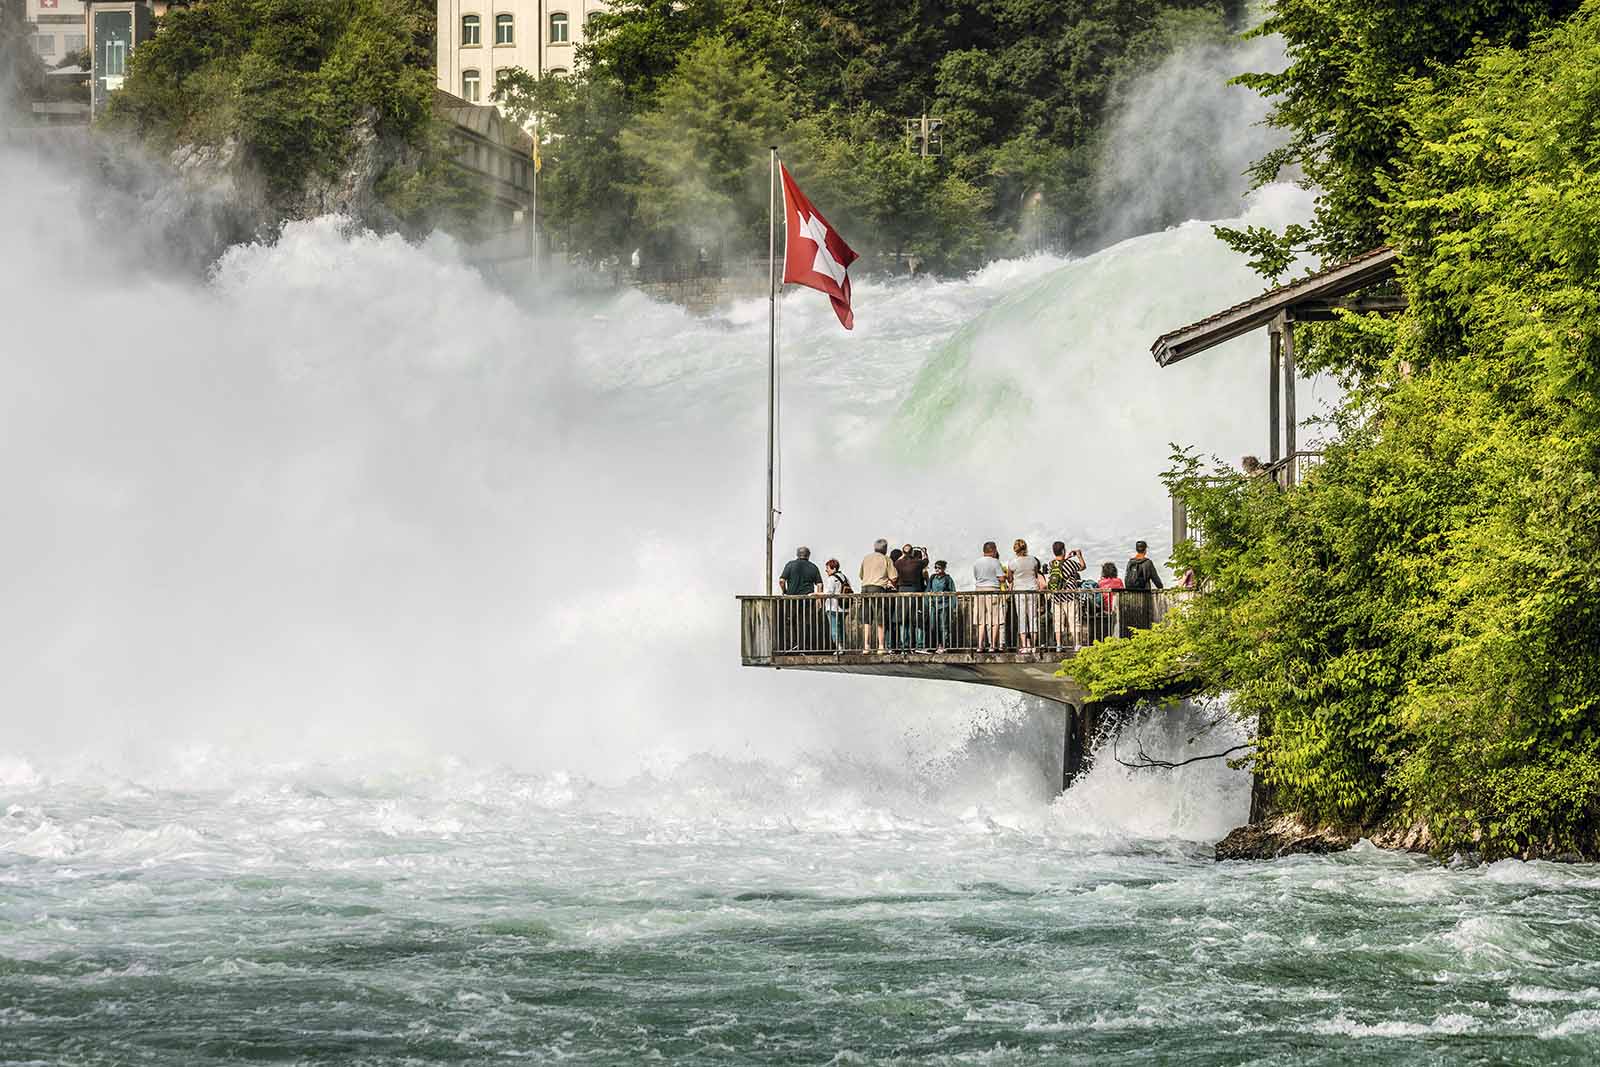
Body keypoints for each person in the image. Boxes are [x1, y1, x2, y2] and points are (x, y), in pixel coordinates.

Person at [778, 546, 823, 651]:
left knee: (790, 621)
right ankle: (804, 645)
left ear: (797, 554)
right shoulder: (813, 567)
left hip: (792, 599)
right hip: (808, 600)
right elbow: (819, 584)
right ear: (808, 555)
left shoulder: (790, 565)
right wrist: (819, 599)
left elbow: (781, 581)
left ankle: (793, 645)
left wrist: (785, 591)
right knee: (805, 622)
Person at [1046, 541, 1087, 651]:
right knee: (1073, 621)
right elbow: (1083, 567)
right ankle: (1077, 644)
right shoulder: (1071, 564)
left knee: (1058, 622)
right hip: (1070, 597)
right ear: (1063, 550)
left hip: (1056, 597)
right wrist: (1079, 556)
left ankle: (1059, 645)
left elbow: (1060, 566)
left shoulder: (1051, 564)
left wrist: (1066, 557)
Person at [859, 538, 896, 652]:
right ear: (885, 549)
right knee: (880, 618)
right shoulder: (886, 559)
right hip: (878, 588)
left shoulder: (866, 558)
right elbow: (894, 576)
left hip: (865, 588)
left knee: (867, 619)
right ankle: (881, 646)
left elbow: (861, 575)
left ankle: (866, 646)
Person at [1006, 539, 1044, 651]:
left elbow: (1010, 578)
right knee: (1033, 617)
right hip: (1032, 590)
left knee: (1022, 618)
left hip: (1019, 592)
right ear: (1026, 547)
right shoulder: (1033, 560)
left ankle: (1025, 645)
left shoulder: (1012, 562)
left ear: (1015, 549)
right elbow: (1036, 574)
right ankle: (1033, 645)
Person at [1123, 539, 1164, 632]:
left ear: (1137, 549)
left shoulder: (1130, 562)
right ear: (1145, 550)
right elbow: (1156, 579)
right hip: (1144, 594)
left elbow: (1126, 579)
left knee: (1134, 617)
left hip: (1131, 595)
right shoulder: (1147, 562)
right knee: (1145, 618)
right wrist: (1161, 588)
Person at [894, 543, 929, 651]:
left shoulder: (898, 563)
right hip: (915, 591)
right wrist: (924, 552)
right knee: (918, 619)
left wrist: (903, 555)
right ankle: (919, 645)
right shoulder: (918, 563)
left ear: (903, 553)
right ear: (913, 552)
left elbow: (896, 561)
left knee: (903, 620)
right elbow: (926, 560)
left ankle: (904, 645)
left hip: (902, 592)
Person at [973, 541, 1006, 651]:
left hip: (979, 591)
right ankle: (992, 645)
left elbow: (976, 576)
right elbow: (1001, 578)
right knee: (995, 619)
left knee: (981, 620)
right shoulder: (995, 562)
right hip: (992, 590)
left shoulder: (977, 562)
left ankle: (980, 645)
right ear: (993, 550)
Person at [816, 559, 850, 653]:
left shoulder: (831, 579)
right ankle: (843, 647)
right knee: (842, 628)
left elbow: (829, 593)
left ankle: (839, 648)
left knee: (834, 628)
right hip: (843, 607)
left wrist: (816, 594)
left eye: (827, 568)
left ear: (833, 568)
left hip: (833, 607)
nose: (826, 570)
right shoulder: (844, 577)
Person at [927, 559, 957, 653]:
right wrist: (928, 601)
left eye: (939, 568)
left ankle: (944, 645)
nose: (937, 569)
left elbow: (953, 592)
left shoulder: (948, 579)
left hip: (944, 605)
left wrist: (953, 606)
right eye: (935, 567)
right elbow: (928, 589)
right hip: (934, 605)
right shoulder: (932, 578)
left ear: (944, 568)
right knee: (933, 625)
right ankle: (936, 645)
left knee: (943, 626)